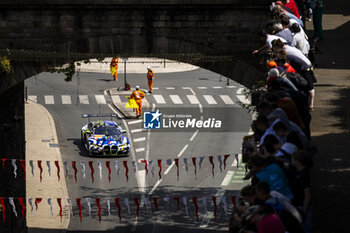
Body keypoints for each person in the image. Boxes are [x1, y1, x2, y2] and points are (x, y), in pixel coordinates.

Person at [291, 150, 313, 233]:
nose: (291, 160)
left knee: (305, 227)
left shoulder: (304, 175)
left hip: (302, 205)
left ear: (297, 161)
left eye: (292, 159)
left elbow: (307, 193)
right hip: (298, 204)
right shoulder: (298, 172)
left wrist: (304, 210)